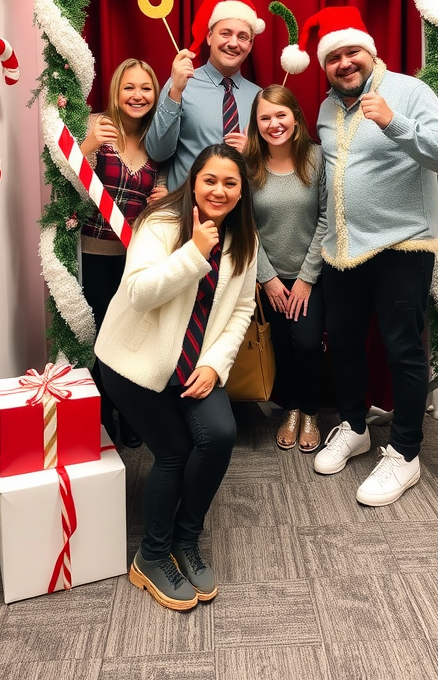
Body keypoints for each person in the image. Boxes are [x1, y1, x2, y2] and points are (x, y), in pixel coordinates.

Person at [282, 6, 438, 506]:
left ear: (370, 51)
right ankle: (355, 425)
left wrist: (396, 123)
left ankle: (405, 453)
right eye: (334, 56)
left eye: (353, 52)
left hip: (402, 245)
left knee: (402, 348)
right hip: (344, 250)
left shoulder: (408, 91)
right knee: (340, 342)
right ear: (325, 65)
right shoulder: (324, 108)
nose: (345, 62)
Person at [94, 144, 257, 610]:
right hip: (134, 362)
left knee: (220, 434)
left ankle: (186, 540)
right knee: (175, 451)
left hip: (193, 363)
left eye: (230, 183)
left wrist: (215, 364)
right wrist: (194, 252)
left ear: (242, 190)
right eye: (210, 180)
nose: (219, 191)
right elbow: (141, 293)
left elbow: (241, 308)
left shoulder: (245, 236)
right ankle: (151, 555)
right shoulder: (162, 223)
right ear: (193, 180)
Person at [80, 58, 167, 446]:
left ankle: (130, 412)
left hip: (134, 258)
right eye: (129, 87)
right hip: (92, 252)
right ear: (116, 90)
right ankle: (102, 416)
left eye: (146, 88)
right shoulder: (97, 125)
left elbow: (155, 200)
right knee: (98, 337)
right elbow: (67, 181)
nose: (138, 95)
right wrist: (88, 146)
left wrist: (159, 200)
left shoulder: (157, 140)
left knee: (129, 337)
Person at [245, 85, 326, 453]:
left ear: (295, 116)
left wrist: (307, 279)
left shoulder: (317, 158)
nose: (274, 123)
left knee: (308, 345)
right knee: (282, 347)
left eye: (281, 115)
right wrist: (269, 278)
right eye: (265, 117)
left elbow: (327, 219)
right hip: (270, 279)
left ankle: (311, 411)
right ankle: (291, 410)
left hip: (313, 275)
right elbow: (246, 226)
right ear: (256, 122)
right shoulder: (248, 165)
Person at [146, 0, 265, 190]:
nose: (234, 43)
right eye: (225, 33)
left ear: (251, 45)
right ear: (210, 37)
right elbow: (157, 152)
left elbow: (270, 165)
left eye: (243, 37)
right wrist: (175, 92)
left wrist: (252, 152)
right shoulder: (182, 83)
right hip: (185, 211)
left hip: (240, 212)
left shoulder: (259, 97)